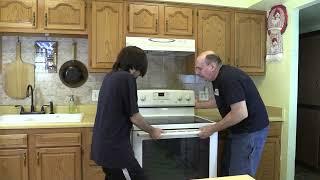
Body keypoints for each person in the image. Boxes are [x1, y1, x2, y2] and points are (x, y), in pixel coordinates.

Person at [91, 46, 163, 180]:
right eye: (140, 71)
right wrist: (152, 130)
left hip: (103, 147)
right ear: (136, 65)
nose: (138, 75)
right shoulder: (126, 78)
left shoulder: (111, 76)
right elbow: (135, 117)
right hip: (116, 152)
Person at [194, 51, 269, 177]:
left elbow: (240, 113)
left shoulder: (228, 78)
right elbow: (221, 100)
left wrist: (212, 128)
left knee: (240, 175)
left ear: (212, 67)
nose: (197, 72)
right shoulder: (217, 78)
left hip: (250, 132)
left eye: (199, 68)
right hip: (238, 131)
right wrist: (197, 104)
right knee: (229, 172)